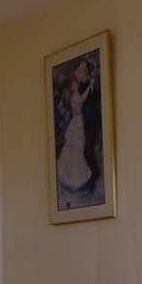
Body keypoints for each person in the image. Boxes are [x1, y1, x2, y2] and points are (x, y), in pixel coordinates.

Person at [56, 62, 94, 191]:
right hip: (77, 122)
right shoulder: (74, 96)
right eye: (74, 84)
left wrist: (88, 82)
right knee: (77, 149)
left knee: (78, 149)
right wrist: (90, 85)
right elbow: (82, 99)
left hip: (78, 122)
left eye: (76, 83)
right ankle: (75, 177)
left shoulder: (75, 92)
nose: (76, 84)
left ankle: (78, 175)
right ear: (71, 86)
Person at [79, 59, 103, 193]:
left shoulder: (91, 83)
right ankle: (94, 173)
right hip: (83, 123)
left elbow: (94, 99)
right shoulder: (81, 84)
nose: (81, 71)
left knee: (88, 151)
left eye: (84, 68)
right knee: (84, 151)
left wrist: (92, 85)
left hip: (91, 122)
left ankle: (91, 183)